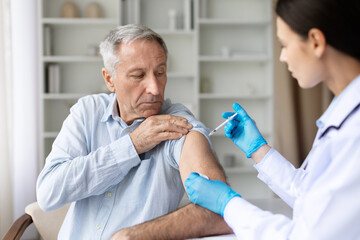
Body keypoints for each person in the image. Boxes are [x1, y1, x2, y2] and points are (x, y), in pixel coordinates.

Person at [36, 24, 232, 239]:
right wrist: (132, 145)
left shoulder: (175, 125)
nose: (155, 89)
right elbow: (48, 194)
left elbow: (220, 206)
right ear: (110, 79)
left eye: (160, 72)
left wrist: (135, 235)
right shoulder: (87, 112)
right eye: (138, 75)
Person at [185, 0, 360, 239]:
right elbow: (310, 195)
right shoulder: (344, 113)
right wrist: (259, 150)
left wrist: (227, 204)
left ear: (316, 42)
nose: (282, 57)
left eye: (285, 45)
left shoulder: (354, 131)